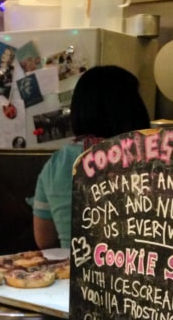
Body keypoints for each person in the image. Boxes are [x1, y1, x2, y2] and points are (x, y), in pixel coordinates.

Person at [31, 65, 150, 251]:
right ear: (132, 110)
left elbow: (44, 240)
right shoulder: (146, 159)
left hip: (70, 273)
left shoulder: (56, 163)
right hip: (134, 275)